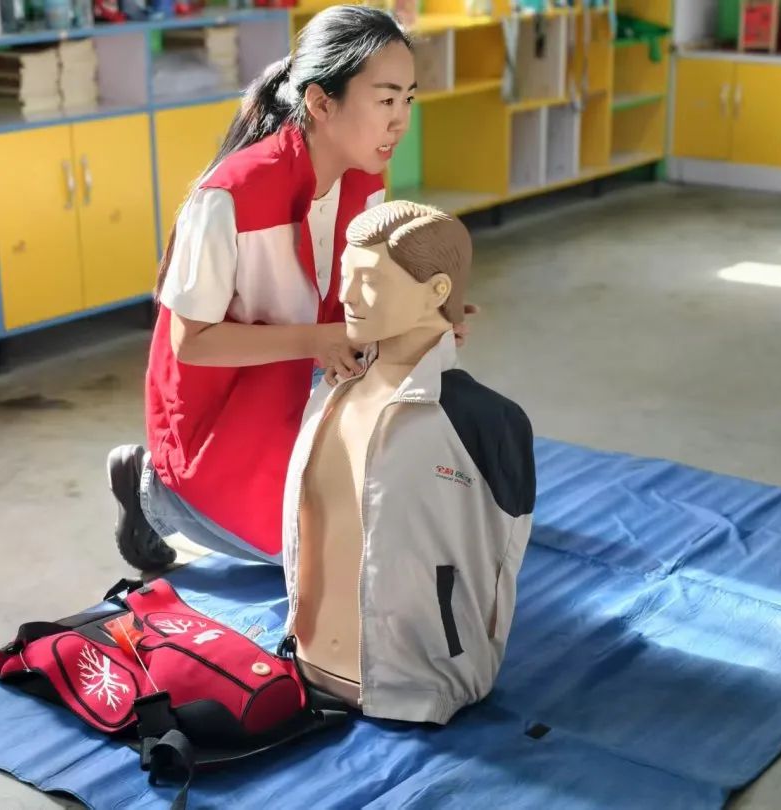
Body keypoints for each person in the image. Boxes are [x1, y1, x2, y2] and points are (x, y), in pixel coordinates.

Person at [107, 5, 422, 570]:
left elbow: (359, 292)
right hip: (218, 414)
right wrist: (319, 341)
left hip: (302, 378)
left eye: (408, 100)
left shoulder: (364, 179)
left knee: (399, 514)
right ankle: (153, 491)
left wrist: (425, 313)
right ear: (321, 103)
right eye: (385, 100)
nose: (400, 121)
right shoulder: (231, 195)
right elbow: (191, 342)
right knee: (318, 558)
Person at [281, 200, 536, 723]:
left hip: (420, 687)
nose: (347, 295)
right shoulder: (328, 395)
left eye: (370, 280)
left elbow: (500, 563)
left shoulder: (487, 422)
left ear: (438, 291)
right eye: (346, 276)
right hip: (303, 664)